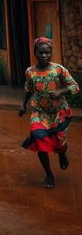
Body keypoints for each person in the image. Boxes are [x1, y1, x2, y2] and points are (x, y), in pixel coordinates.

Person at [19, 37, 79, 188]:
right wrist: (23, 105)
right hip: (39, 112)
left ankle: (62, 153)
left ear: (51, 53)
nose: (44, 56)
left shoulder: (58, 69)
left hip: (59, 112)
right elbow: (28, 89)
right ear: (35, 53)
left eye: (47, 53)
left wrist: (61, 90)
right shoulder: (30, 72)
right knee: (38, 139)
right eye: (41, 53)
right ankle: (49, 174)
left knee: (59, 142)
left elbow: (75, 86)